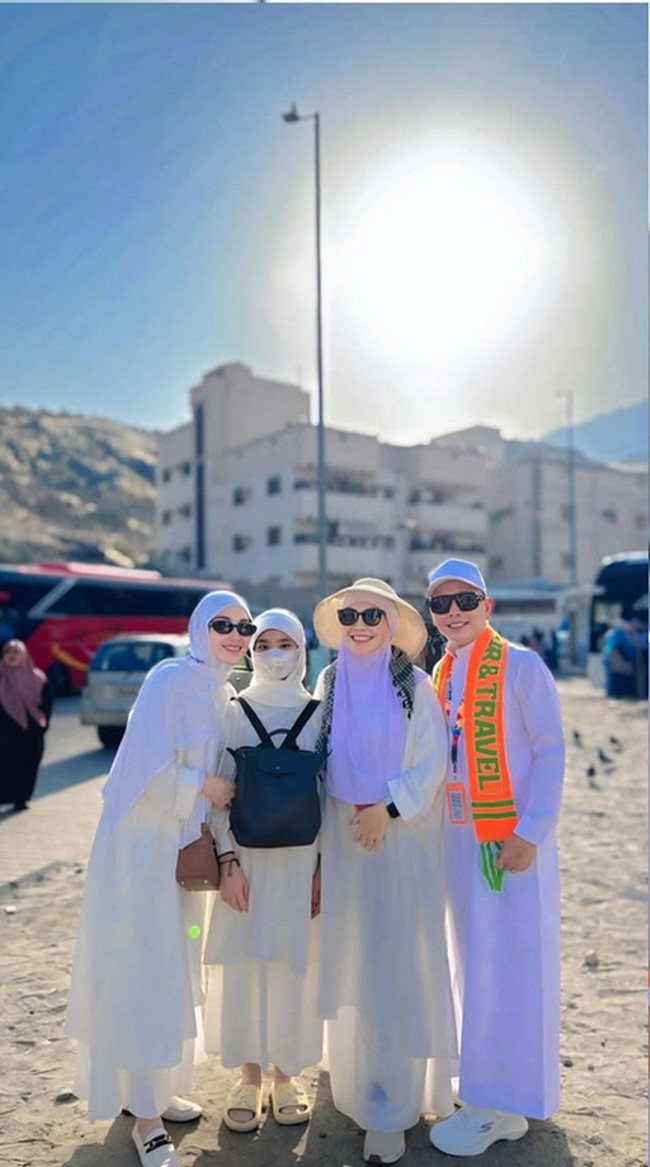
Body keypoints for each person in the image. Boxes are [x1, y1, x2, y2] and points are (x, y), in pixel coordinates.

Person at [66, 591, 256, 1167]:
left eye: (244, 625)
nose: (235, 634)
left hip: (180, 855)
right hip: (139, 854)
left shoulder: (222, 692)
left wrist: (221, 845)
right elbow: (141, 770)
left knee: (170, 969)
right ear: (199, 628)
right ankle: (144, 1119)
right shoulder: (170, 678)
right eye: (221, 624)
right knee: (140, 972)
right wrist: (203, 785)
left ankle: (150, 1089)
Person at [312, 578, 457, 1166]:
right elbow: (316, 764)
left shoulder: (415, 687)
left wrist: (386, 808)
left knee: (397, 963)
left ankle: (393, 1108)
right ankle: (356, 1085)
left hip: (398, 844)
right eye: (351, 614)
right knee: (354, 961)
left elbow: (432, 764)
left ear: (393, 622)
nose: (361, 624)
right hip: (344, 845)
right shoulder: (327, 682)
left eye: (374, 613)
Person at [424, 558, 565, 1157]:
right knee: (471, 966)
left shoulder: (521, 666)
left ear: (488, 606)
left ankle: (498, 1104)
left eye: (465, 600)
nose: (453, 612)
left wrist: (531, 831)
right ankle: (489, 1096)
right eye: (440, 603)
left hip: (507, 843)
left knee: (506, 970)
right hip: (458, 839)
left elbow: (551, 748)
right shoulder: (443, 670)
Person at [204, 608, 323, 1132]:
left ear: (302, 650)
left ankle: (284, 1074)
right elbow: (219, 794)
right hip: (245, 859)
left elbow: (330, 796)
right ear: (252, 652)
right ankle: (249, 1076)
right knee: (245, 965)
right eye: (266, 644)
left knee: (292, 965)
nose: (276, 654)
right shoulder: (233, 708)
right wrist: (227, 862)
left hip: (301, 860)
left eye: (286, 644)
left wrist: (323, 868)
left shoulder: (320, 712)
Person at [0, 639, 52, 812]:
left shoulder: (38, 678)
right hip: (4, 732)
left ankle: (20, 798)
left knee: (28, 764)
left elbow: (46, 704)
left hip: (30, 732)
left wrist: (43, 727)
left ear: (23, 655)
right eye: (8, 652)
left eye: (16, 652)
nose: (12, 656)